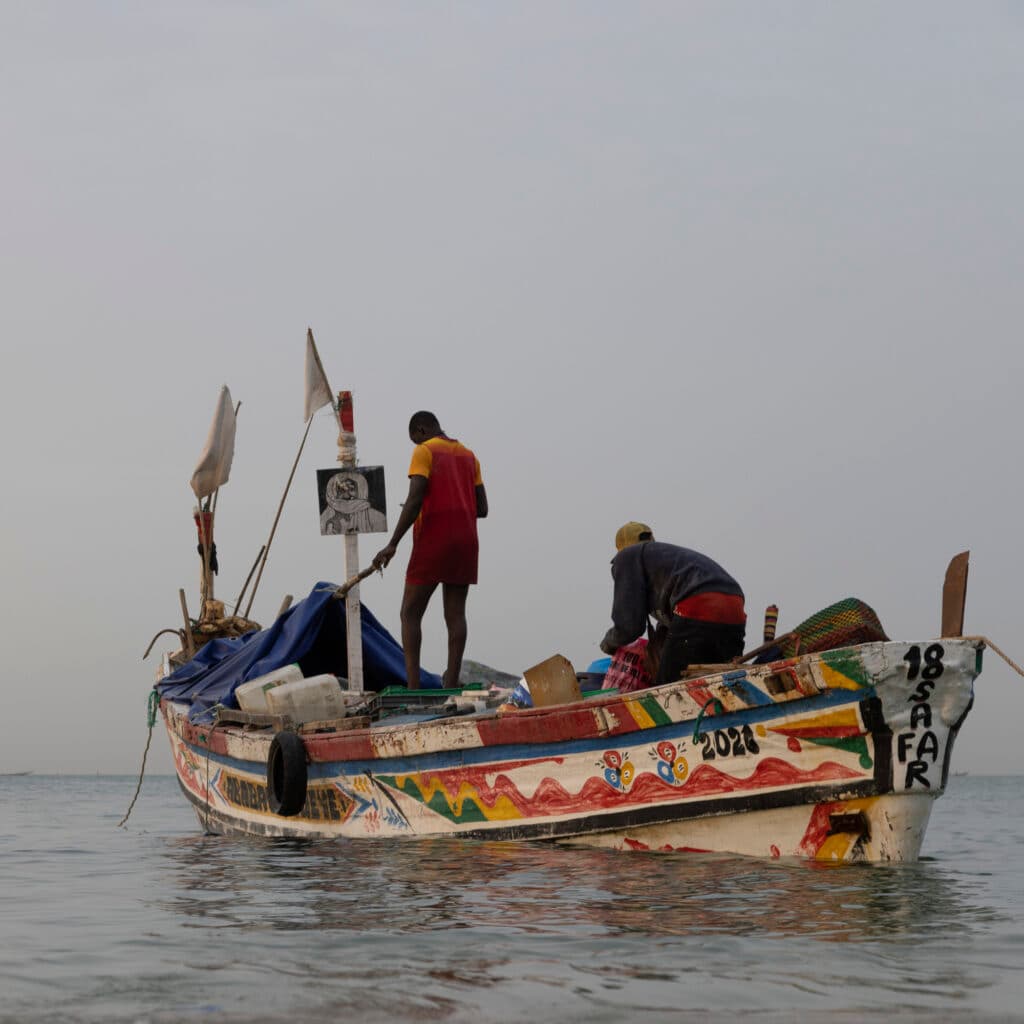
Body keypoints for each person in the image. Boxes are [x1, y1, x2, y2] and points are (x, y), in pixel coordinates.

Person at [373, 411, 488, 689]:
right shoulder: (469, 456)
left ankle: (414, 687)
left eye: (414, 439)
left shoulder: (424, 451)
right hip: (466, 542)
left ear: (421, 430)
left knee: (410, 613)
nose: (415, 444)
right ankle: (451, 682)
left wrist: (392, 544)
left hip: (433, 538)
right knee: (456, 615)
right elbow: (482, 509)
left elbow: (414, 500)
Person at [599, 522, 746, 687]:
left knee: (668, 688)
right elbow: (672, 625)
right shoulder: (667, 558)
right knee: (725, 683)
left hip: (697, 605)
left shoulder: (627, 557)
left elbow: (629, 626)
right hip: (734, 607)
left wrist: (609, 644)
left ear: (621, 548)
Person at [320, 471, 386, 535]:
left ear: (360, 491)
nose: (347, 495)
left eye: (351, 489)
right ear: (334, 493)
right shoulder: (324, 520)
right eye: (342, 490)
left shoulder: (378, 518)